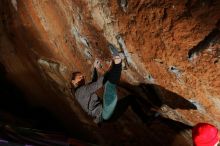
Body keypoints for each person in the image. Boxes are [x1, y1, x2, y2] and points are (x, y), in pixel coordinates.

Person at [71, 44, 122, 123]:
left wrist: (95, 68)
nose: (83, 78)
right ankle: (118, 62)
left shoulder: (80, 92)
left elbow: (93, 84)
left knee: (131, 98)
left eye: (83, 76)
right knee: (108, 85)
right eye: (79, 77)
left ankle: (146, 119)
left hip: (106, 116)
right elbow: (98, 84)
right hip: (103, 113)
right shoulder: (79, 92)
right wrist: (112, 69)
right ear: (73, 82)